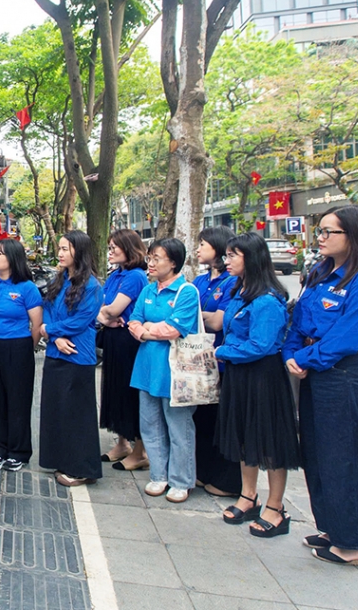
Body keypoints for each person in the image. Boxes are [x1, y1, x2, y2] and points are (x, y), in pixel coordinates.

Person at [285, 205, 358, 566]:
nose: (322, 238)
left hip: (346, 374)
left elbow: (349, 337)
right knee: (317, 454)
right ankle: (333, 527)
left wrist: (305, 359)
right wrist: (292, 353)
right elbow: (299, 319)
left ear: (355, 236)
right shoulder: (321, 272)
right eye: (322, 231)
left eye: (331, 232)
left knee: (347, 457)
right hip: (316, 373)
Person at [215, 234, 302, 538]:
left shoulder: (266, 300)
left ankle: (275, 507)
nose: (226, 261)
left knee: (270, 442)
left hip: (263, 377)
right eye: (226, 256)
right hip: (239, 375)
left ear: (251, 258)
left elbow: (260, 345)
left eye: (232, 256)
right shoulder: (240, 292)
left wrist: (220, 352)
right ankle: (248, 495)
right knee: (243, 437)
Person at [128, 238, 201, 503]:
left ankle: (181, 481)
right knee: (150, 425)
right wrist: (146, 329)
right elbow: (133, 321)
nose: (152, 263)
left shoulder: (186, 292)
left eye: (157, 258)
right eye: (151, 257)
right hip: (147, 367)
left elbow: (175, 329)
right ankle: (159, 476)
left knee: (178, 427)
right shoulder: (148, 290)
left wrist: (147, 329)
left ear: (173, 261)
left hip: (175, 371)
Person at [39, 231, 104, 486]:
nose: (61, 253)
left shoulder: (92, 286)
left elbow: (81, 320)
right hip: (57, 351)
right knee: (57, 410)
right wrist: (53, 336)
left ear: (80, 251)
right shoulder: (60, 279)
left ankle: (82, 468)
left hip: (78, 354)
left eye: (66, 248)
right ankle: (60, 459)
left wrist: (50, 331)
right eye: (61, 248)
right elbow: (47, 309)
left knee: (78, 413)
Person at [0, 238, 44, 472]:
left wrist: (27, 347)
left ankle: (18, 452)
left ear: (12, 259)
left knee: (18, 400)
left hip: (18, 347)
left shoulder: (27, 288)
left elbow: (36, 325)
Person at [192, 227, 243, 498]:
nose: (198, 249)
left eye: (203, 244)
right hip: (198, 360)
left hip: (222, 359)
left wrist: (192, 314)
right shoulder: (200, 281)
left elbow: (218, 321)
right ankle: (203, 471)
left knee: (222, 421)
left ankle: (225, 479)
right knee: (201, 418)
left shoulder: (230, 282)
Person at [97, 230, 149, 471]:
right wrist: (105, 317)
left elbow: (115, 309)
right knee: (114, 390)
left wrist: (106, 314)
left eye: (115, 246)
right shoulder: (116, 275)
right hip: (112, 339)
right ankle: (122, 443)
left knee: (130, 394)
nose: (111, 250)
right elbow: (100, 308)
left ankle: (140, 451)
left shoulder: (136, 276)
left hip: (129, 342)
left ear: (129, 248)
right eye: (110, 245)